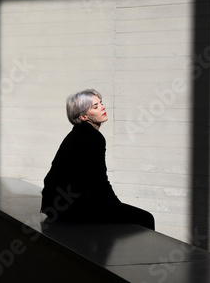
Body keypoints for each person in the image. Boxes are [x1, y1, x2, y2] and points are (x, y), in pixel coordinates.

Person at [40, 89, 155, 230]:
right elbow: (100, 182)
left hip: (55, 205)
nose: (103, 107)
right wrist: (118, 207)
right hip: (71, 207)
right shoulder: (92, 137)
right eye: (95, 107)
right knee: (146, 219)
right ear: (83, 116)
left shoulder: (78, 133)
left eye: (100, 103)